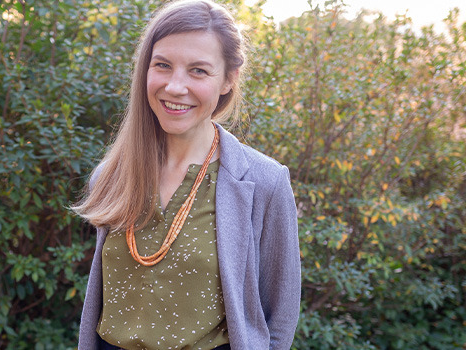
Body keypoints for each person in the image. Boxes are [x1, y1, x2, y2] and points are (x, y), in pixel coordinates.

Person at [72, 0, 300, 348]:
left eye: (198, 71)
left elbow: (279, 319)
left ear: (228, 80)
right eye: (163, 65)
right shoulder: (111, 176)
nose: (175, 87)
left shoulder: (265, 182)